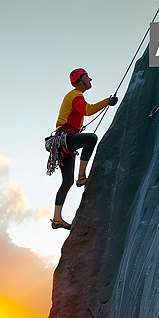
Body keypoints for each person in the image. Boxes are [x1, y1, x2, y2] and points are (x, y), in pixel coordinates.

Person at [50, 68, 117, 229]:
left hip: (62, 142)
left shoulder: (74, 96)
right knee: (91, 138)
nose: (90, 80)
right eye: (87, 77)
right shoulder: (75, 95)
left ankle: (56, 219)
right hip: (65, 139)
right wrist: (107, 101)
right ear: (79, 80)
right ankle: (82, 176)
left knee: (67, 182)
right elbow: (87, 110)